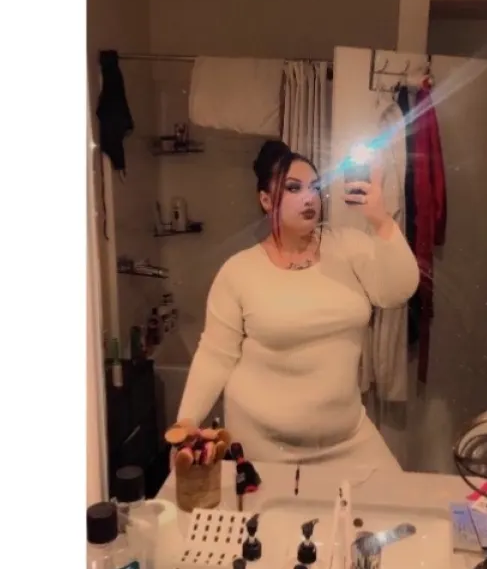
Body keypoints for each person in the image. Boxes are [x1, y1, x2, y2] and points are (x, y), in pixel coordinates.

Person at [168, 140, 420, 468]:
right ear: (265, 200)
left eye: (315, 187)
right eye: (293, 188)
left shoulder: (347, 247)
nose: (309, 197)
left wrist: (381, 221)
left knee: (394, 496)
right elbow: (215, 355)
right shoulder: (239, 271)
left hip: (348, 436)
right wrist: (187, 422)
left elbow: (399, 290)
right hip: (263, 444)